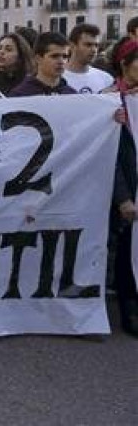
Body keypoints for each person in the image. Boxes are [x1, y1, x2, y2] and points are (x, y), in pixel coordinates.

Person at [102, 37, 138, 336]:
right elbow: (106, 154)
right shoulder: (107, 99)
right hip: (125, 189)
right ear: (125, 65)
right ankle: (129, 307)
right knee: (126, 250)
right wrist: (123, 197)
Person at [9, 32, 76, 96]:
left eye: (65, 57)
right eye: (54, 56)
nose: (61, 61)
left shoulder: (72, 95)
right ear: (38, 58)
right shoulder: (20, 94)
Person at [63, 23, 114, 93]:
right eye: (88, 45)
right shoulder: (55, 78)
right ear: (72, 46)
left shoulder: (106, 79)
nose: (94, 50)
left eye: (96, 45)